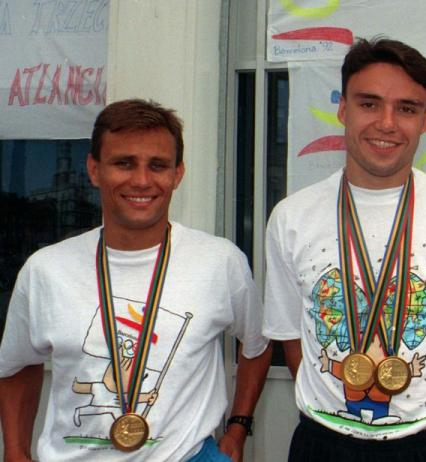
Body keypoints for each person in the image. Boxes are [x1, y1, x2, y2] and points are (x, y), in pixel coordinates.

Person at [262, 37, 426, 461]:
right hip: (324, 445)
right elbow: (291, 336)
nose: (387, 123)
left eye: (406, 108)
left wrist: (417, 407)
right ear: (343, 108)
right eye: (369, 104)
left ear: (425, 119)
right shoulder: (291, 217)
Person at [0, 99, 272, 461]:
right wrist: (16, 452)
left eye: (157, 165)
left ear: (178, 173)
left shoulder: (220, 262)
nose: (142, 180)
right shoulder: (46, 270)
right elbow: (17, 364)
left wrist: (237, 429)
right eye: (124, 163)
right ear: (94, 170)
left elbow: (256, 345)